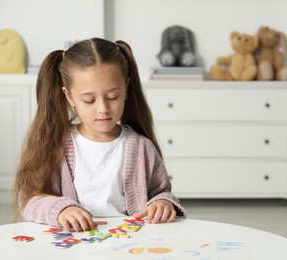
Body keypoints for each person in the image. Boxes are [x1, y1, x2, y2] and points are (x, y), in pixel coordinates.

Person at [13, 38, 186, 232]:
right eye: (89, 100)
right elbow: (29, 200)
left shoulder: (141, 147)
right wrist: (61, 209)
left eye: (113, 97)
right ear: (69, 96)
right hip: (73, 243)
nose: (103, 109)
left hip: (130, 241)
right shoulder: (55, 145)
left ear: (126, 89)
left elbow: (161, 193)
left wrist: (163, 204)